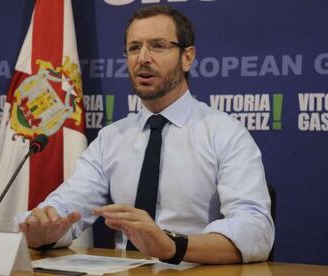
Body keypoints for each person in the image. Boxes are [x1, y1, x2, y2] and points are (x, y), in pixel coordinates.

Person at [16, 5, 274, 264]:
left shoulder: (225, 134)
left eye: (158, 46)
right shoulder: (111, 138)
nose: (143, 58)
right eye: (134, 48)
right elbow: (66, 209)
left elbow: (255, 230)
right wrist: (44, 229)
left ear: (188, 57)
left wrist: (172, 246)